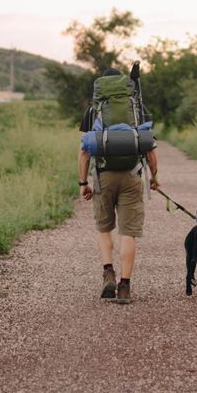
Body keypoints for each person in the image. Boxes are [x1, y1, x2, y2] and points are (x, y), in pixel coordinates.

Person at [77, 67, 160, 304]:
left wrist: (83, 182)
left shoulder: (94, 110)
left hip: (103, 176)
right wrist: (154, 177)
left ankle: (108, 273)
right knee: (128, 232)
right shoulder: (136, 107)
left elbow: (84, 151)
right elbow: (150, 147)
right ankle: (124, 287)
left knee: (104, 228)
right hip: (132, 176)